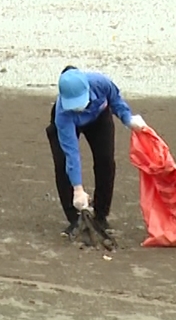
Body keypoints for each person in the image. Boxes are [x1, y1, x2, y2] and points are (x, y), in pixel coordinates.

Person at [45, 67, 149, 238]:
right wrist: (78, 189)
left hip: (99, 119)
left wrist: (128, 119)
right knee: (63, 162)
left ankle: (101, 216)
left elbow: (116, 102)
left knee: (106, 161)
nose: (77, 107)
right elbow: (72, 153)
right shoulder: (63, 115)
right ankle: (74, 219)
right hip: (70, 125)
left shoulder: (101, 83)